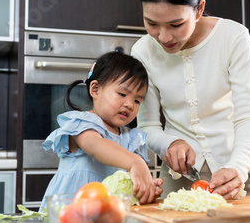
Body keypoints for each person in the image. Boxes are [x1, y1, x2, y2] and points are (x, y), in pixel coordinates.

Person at [131, 0, 250, 200]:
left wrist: (238, 168)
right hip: (178, 176)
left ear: (199, 9)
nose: (163, 37)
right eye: (151, 23)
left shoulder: (233, 37)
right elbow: (148, 126)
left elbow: (248, 116)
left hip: (237, 168)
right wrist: (169, 144)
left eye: (176, 24)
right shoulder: (142, 51)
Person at [40, 51, 163, 210]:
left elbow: (129, 181)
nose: (130, 104)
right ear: (95, 89)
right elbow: (95, 146)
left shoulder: (132, 139)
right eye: (122, 94)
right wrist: (135, 162)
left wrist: (144, 188)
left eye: (137, 100)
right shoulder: (81, 124)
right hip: (67, 215)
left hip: (104, 218)